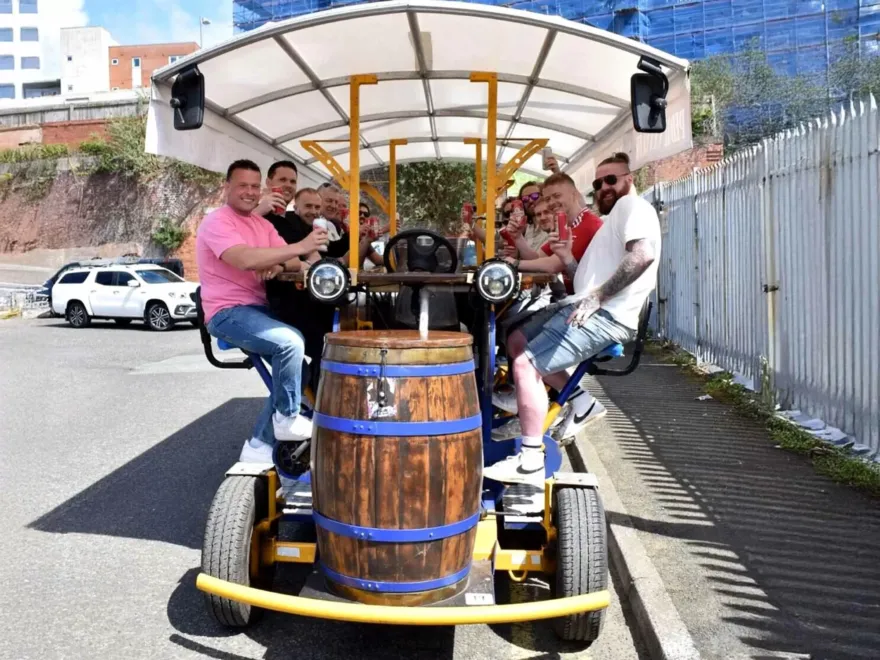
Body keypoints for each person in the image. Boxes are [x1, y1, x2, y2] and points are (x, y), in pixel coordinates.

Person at [484, 152, 660, 484]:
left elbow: (644, 255)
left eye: (611, 180)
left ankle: (530, 458)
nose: (604, 187)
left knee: (524, 363)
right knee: (515, 337)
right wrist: (567, 258)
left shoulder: (632, 207)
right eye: (598, 182)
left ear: (629, 179)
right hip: (585, 303)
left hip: (607, 314)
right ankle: (575, 403)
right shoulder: (611, 220)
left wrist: (599, 296)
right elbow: (583, 280)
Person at [197, 159, 329, 464]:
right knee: (289, 342)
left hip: (259, 309)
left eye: (254, 186)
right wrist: (298, 247)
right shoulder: (217, 222)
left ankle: (258, 445)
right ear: (226, 187)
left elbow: (293, 264)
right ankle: (286, 419)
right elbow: (243, 258)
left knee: (307, 363)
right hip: (227, 312)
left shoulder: (262, 225)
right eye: (242, 185)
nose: (249, 192)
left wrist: (277, 262)